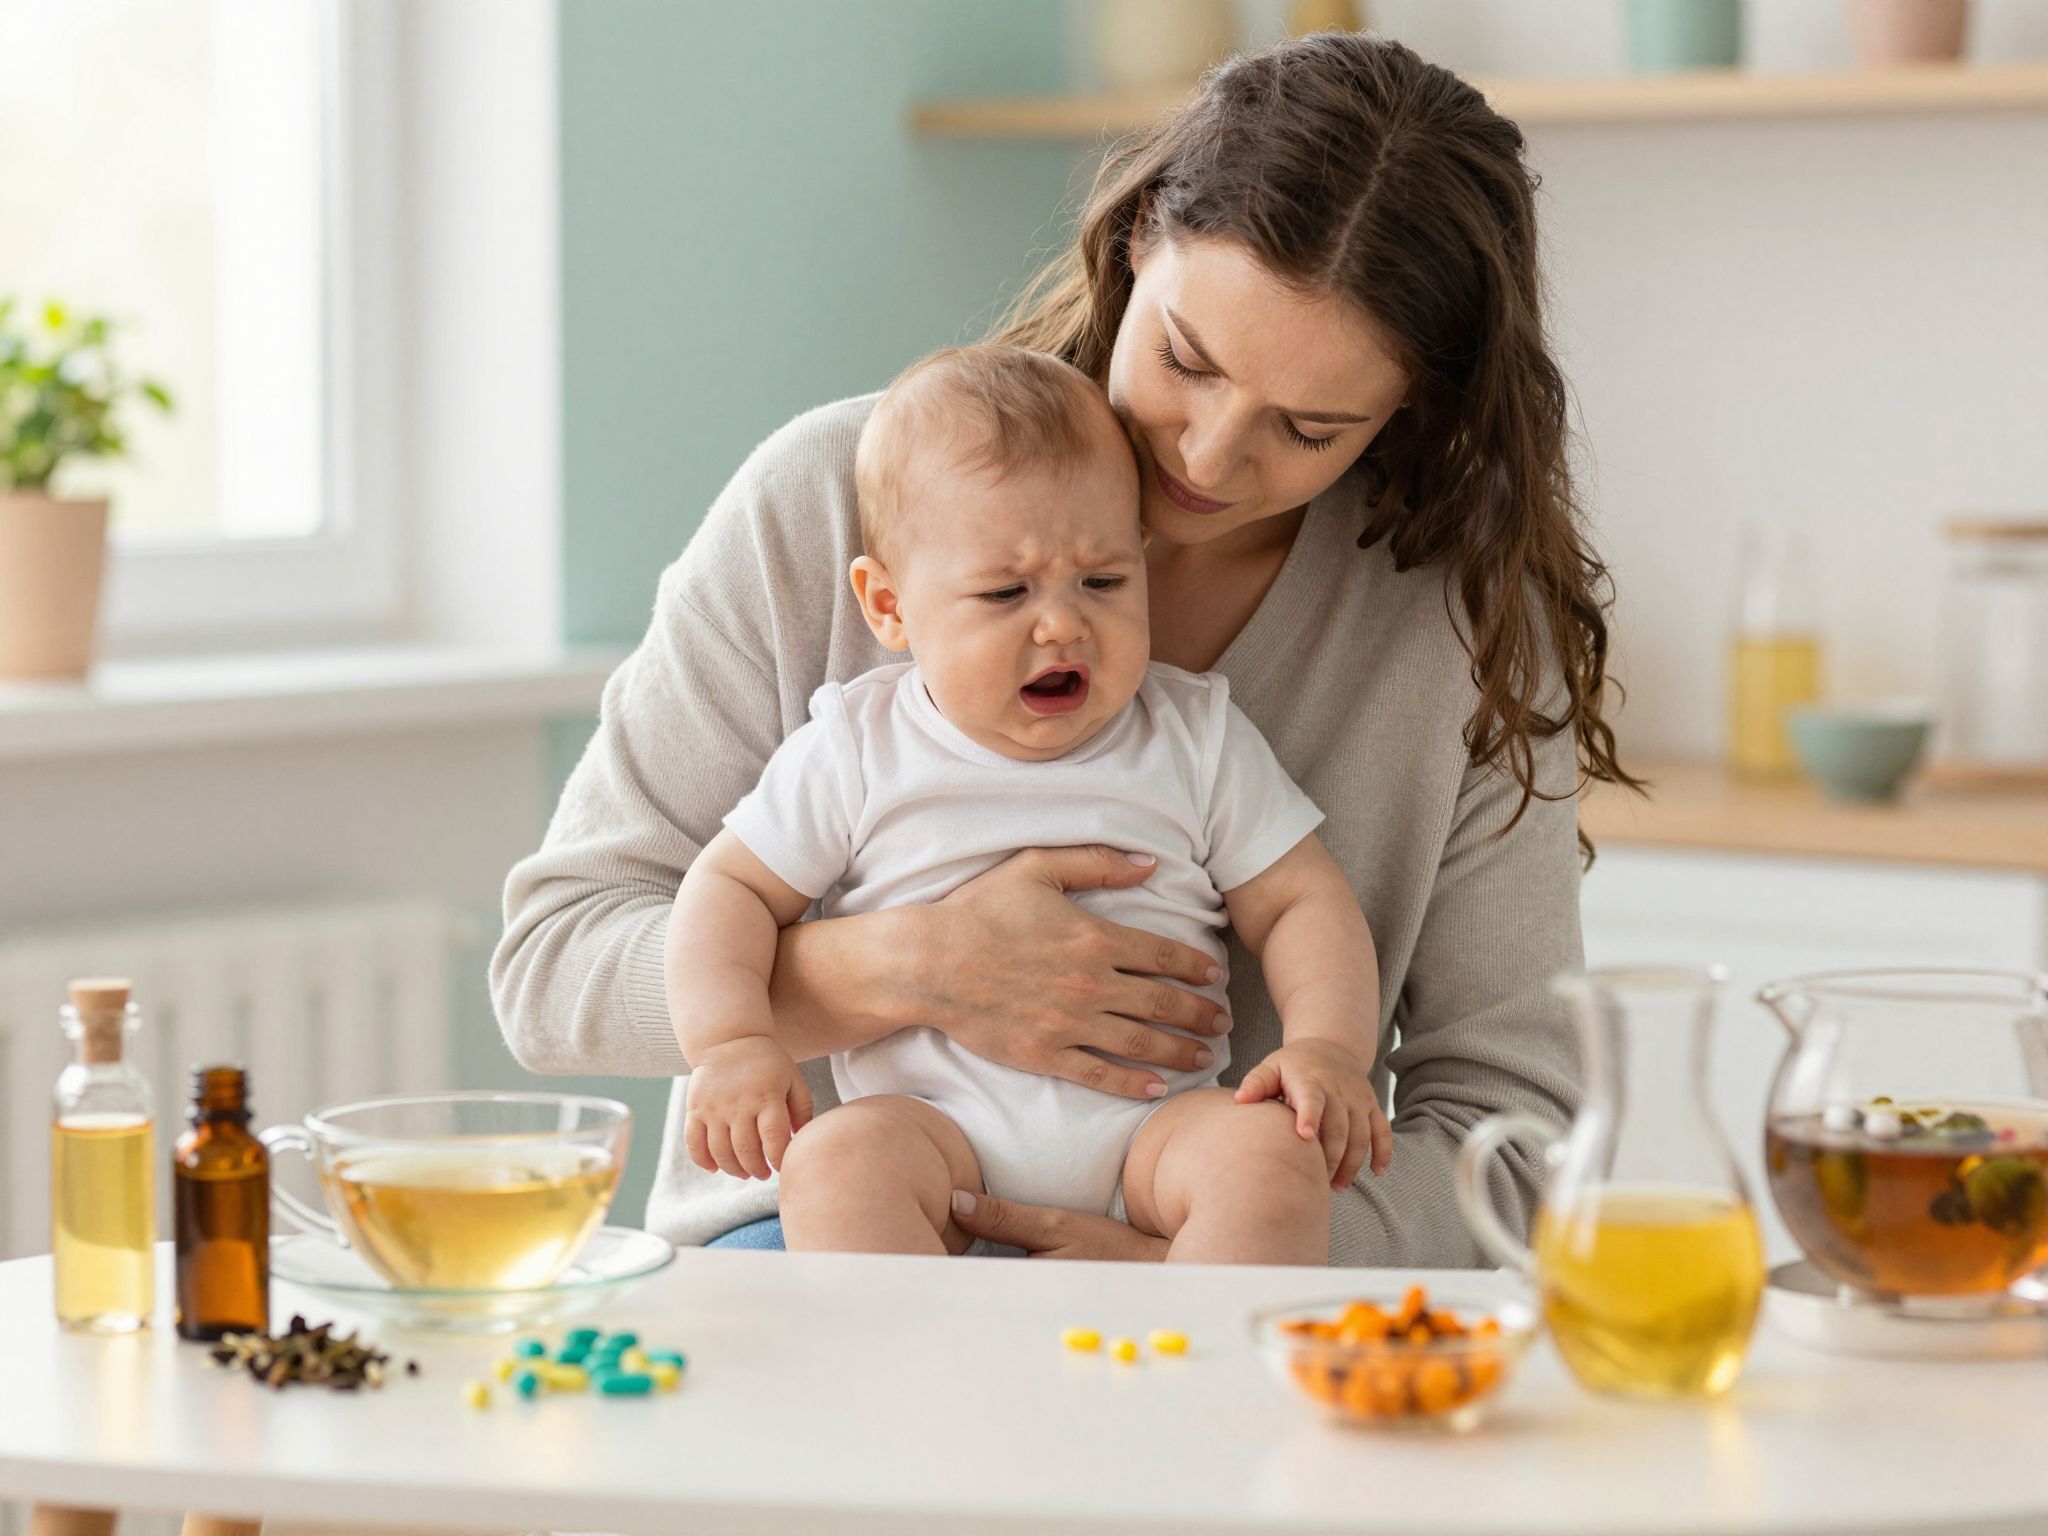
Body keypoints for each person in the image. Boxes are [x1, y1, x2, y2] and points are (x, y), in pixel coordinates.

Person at [493, 32, 1633, 1263]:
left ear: (1412, 408)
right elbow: (552, 967)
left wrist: (1209, 1261)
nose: (1204, 458)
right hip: (812, 1239)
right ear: (1135, 237)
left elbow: (1521, 1141)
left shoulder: (1450, 631)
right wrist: (910, 966)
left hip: (1207, 1249)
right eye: (1184, 361)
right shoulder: (831, 506)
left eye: (1307, 428)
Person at [671, 344, 1392, 1264]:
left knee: (1265, 1160)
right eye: (1005, 592)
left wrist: (1330, 1048)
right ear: (888, 606)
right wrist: (730, 1042)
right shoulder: (858, 747)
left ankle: (1210, 1385)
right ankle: (911, 1385)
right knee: (838, 1164)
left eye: (1103, 582)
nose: (1062, 624)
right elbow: (726, 890)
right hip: (935, 1139)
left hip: (1154, 1138)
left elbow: (1300, 898)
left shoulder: (1192, 734)